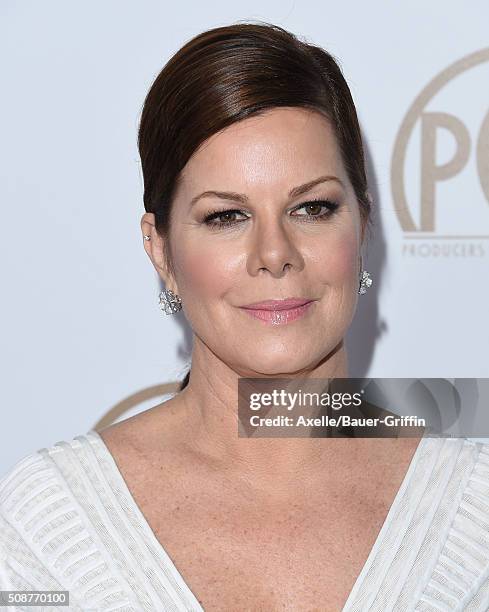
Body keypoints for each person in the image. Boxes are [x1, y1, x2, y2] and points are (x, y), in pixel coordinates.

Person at [1, 21, 489, 612]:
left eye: (313, 207)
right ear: (161, 251)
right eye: (225, 217)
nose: (274, 254)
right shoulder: (52, 522)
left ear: (362, 227)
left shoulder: (476, 509)